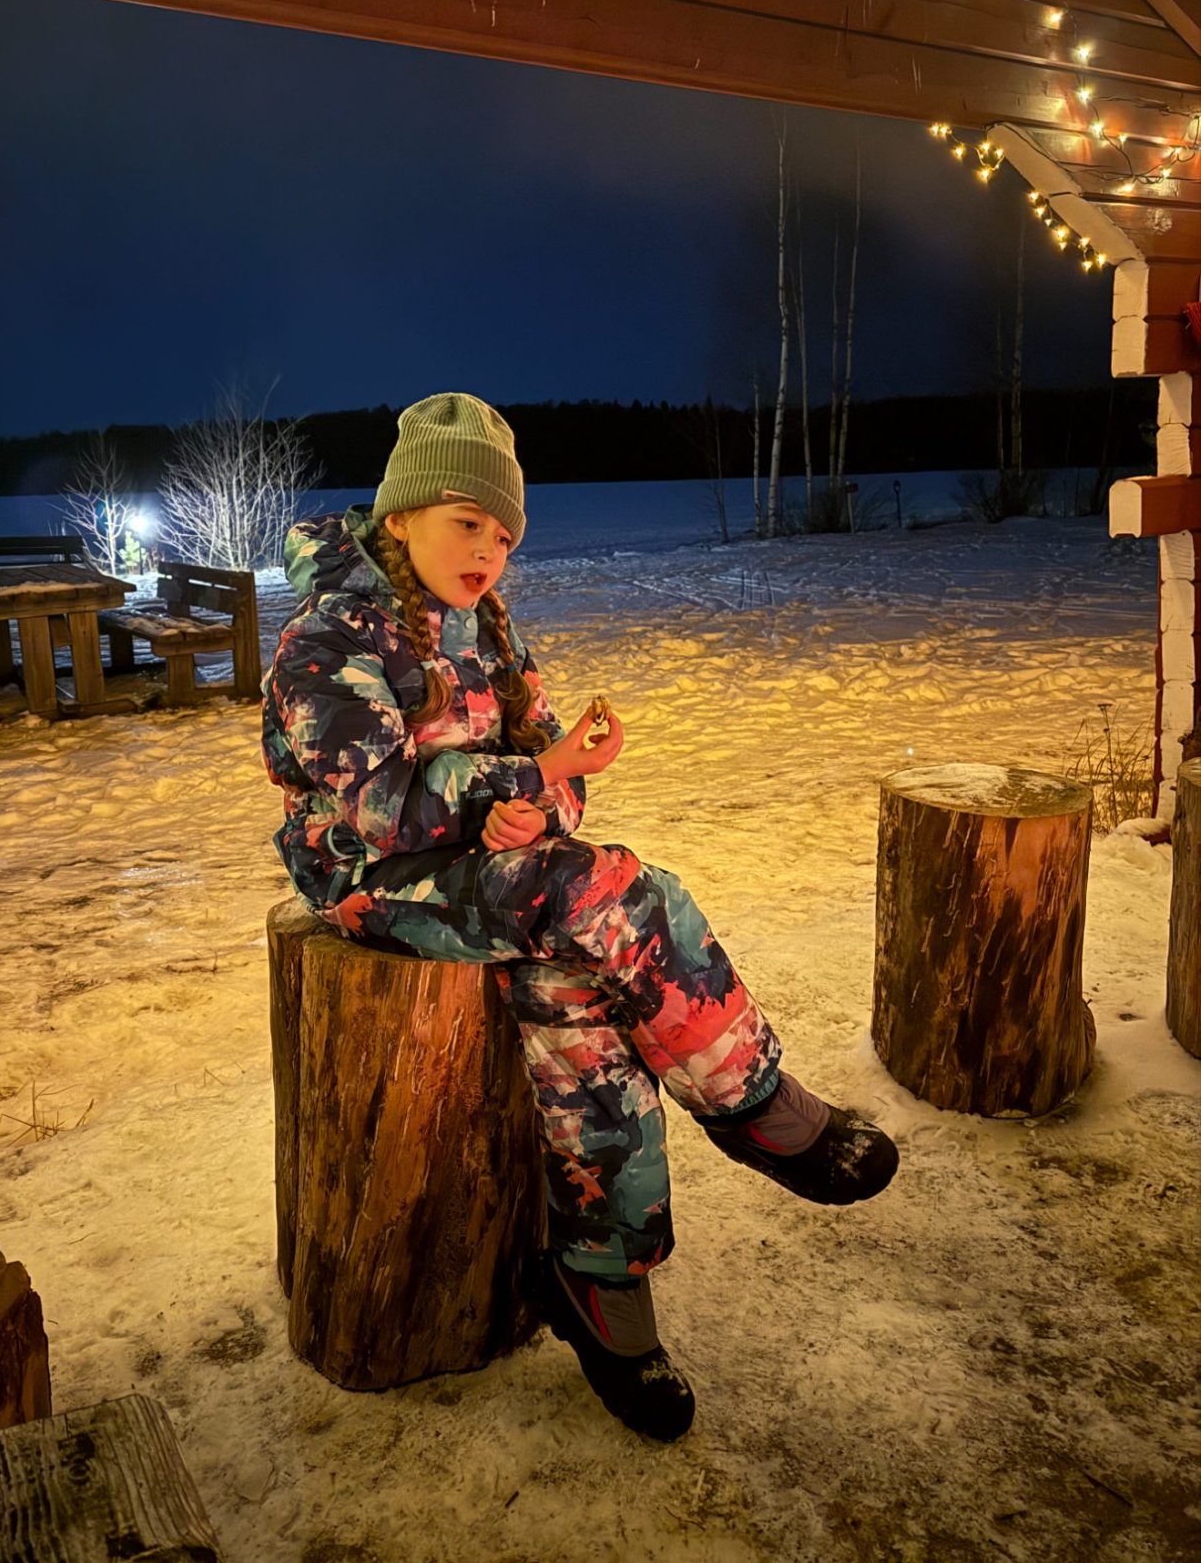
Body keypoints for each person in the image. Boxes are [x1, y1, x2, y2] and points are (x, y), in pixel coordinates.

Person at [262, 392, 898, 1441]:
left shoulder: (490, 636)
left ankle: (602, 1283)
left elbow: (562, 782)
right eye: (468, 522)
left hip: (480, 876)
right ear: (401, 517)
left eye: (505, 535)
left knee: (577, 1005)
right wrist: (526, 779)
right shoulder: (326, 636)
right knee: (617, 889)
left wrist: (534, 807)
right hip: (371, 882)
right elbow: (377, 806)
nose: (488, 551)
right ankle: (754, 1101)